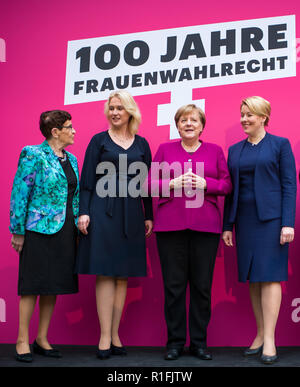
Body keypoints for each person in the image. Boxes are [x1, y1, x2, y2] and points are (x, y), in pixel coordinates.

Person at [148, 104, 232, 360]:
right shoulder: (165, 149)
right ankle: (174, 342)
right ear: (177, 125)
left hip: (205, 227)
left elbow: (227, 185)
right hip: (170, 226)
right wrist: (170, 183)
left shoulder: (215, 151)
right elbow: (148, 183)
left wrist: (208, 183)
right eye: (183, 120)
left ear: (202, 125)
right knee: (173, 287)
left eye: (194, 120)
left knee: (201, 287)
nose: (188, 124)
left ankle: (198, 342)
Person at [75, 90, 153, 359]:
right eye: (111, 108)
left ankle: (116, 334)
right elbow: (86, 181)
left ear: (130, 111)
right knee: (106, 272)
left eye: (120, 108)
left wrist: (148, 215)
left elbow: (146, 185)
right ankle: (104, 336)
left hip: (132, 211)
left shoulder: (142, 144)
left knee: (122, 274)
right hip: (102, 210)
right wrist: (83, 212)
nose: (115, 112)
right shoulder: (98, 141)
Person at [222, 96, 296, 365]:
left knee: (270, 276)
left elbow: (290, 186)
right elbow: (231, 191)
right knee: (254, 277)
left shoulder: (280, 145)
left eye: (249, 114)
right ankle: (260, 334)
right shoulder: (234, 150)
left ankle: (271, 340)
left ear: (263, 117)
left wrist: (288, 222)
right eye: (242, 114)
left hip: (272, 221)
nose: (244, 119)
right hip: (244, 221)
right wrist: (227, 225)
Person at [9, 110, 79, 363]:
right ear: (55, 131)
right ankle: (21, 340)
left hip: (66, 230)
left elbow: (75, 195)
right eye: (70, 127)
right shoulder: (33, 154)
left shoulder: (72, 159)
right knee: (32, 285)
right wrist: (17, 230)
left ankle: (42, 338)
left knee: (54, 285)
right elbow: (20, 191)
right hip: (38, 230)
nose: (74, 131)